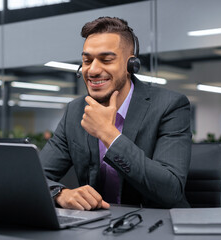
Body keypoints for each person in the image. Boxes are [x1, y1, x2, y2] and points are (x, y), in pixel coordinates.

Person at [40, 16, 191, 210]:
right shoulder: (75, 111)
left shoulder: (170, 106)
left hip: (157, 226)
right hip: (100, 227)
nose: (93, 70)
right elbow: (35, 176)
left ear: (131, 65)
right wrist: (61, 194)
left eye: (106, 60)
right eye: (87, 60)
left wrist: (108, 134)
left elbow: (170, 190)